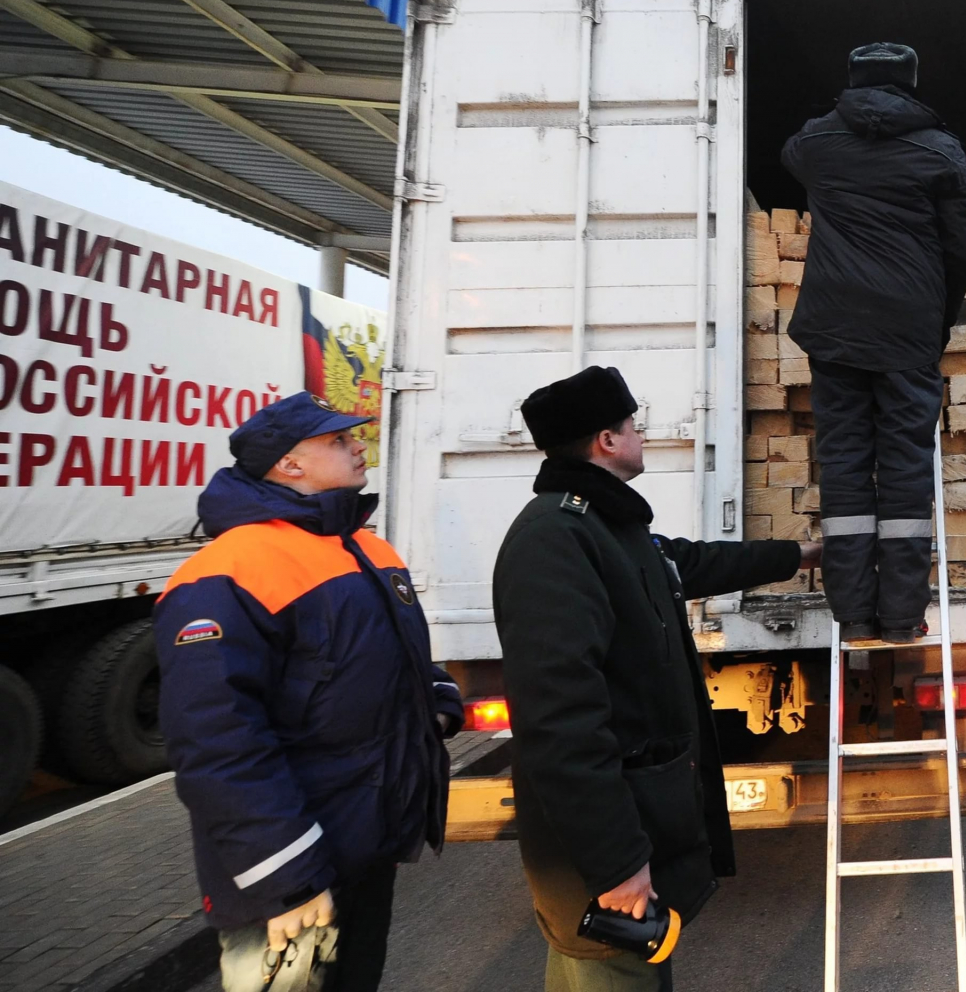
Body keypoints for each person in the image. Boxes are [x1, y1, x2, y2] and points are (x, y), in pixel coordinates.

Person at [493, 366, 820, 991]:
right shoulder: (554, 539)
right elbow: (560, 723)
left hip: (637, 827)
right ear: (607, 441)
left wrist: (801, 555)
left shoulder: (608, 527)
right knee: (611, 973)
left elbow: (691, 561)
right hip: (599, 868)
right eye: (632, 424)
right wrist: (616, 864)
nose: (642, 433)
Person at [154, 391, 463, 991]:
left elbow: (392, 661)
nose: (357, 446)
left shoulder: (366, 548)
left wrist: (437, 704)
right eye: (338, 440)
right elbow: (216, 744)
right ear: (289, 465)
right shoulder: (225, 573)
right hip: (293, 872)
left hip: (364, 845)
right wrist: (287, 877)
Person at [781, 41, 966, 642]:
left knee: (843, 464)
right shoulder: (941, 151)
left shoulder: (816, 145)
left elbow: (790, 153)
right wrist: (936, 319)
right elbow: (960, 246)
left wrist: (838, 116)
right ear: (912, 83)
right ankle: (899, 615)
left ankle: (853, 613)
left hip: (834, 327)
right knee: (904, 467)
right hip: (908, 332)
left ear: (852, 78)